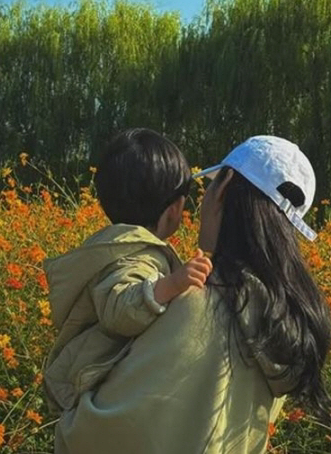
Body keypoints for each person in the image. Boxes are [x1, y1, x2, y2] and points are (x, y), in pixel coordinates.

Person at [53, 135, 331, 454]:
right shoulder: (284, 323)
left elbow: (113, 432)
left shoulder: (190, 301)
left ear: (223, 190)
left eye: (208, 187)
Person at [43, 128, 213, 415]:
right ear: (174, 208)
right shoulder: (133, 257)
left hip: (97, 389)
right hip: (92, 395)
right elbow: (120, 311)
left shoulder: (117, 246)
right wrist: (174, 283)